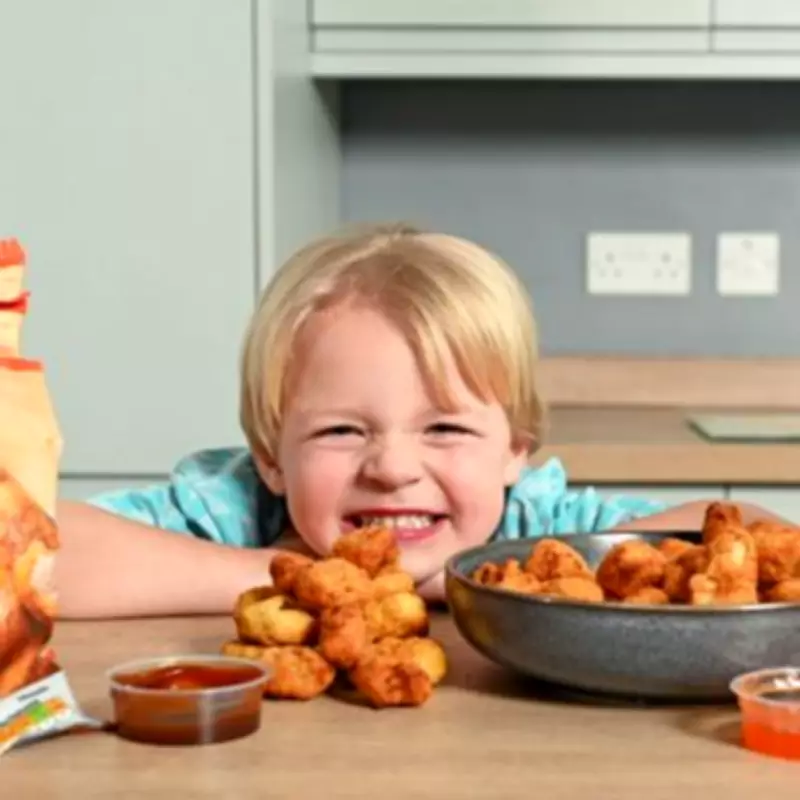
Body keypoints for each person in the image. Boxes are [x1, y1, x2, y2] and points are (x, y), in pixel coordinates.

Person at [53, 224, 779, 618]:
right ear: (272, 456)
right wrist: (298, 577)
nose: (394, 469)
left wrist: (473, 581)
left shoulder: (535, 524)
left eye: (445, 429)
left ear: (514, 450)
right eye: (342, 431)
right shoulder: (236, 510)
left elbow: (754, 534)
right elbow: (25, 551)